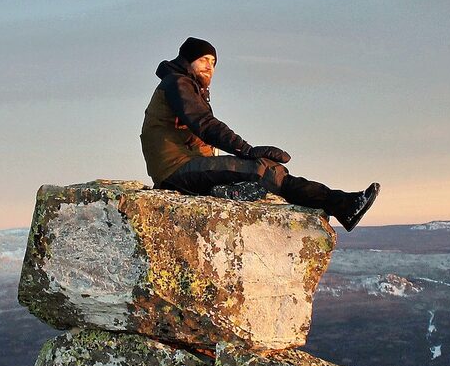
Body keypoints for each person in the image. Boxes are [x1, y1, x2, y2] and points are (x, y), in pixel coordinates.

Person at [140, 36, 381, 232]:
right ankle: (342, 204)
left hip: (184, 165)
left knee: (263, 168)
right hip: (176, 169)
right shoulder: (178, 83)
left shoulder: (185, 85)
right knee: (262, 170)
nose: (210, 67)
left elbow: (200, 132)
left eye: (213, 62)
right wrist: (247, 151)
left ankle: (342, 204)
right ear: (188, 60)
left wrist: (246, 157)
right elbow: (204, 124)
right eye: (204, 60)